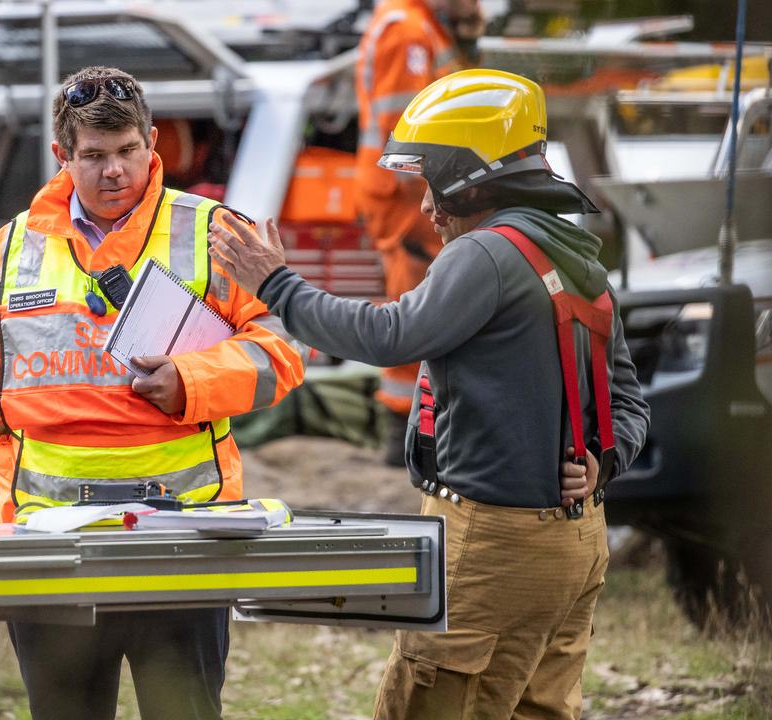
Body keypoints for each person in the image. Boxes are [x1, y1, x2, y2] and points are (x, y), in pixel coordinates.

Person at [209, 69, 650, 719]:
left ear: (472, 175)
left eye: (431, 181)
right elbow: (629, 401)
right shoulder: (575, 255)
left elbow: (390, 334)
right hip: (575, 545)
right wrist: (603, 463)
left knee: (427, 704)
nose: (424, 207)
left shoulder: (486, 256)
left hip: (493, 546)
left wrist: (277, 285)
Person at [0, 66, 304, 720]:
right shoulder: (8, 251)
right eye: (95, 156)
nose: (115, 172)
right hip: (49, 548)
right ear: (62, 156)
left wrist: (192, 380)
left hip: (186, 538)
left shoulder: (215, 232)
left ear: (153, 141)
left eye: (130, 151)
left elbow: (283, 350)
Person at [355, 0, 485, 465]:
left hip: (412, 190)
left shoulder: (421, 26)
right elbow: (407, 131)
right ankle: (402, 432)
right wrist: (434, 189)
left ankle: (413, 427)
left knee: (422, 299)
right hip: (407, 193)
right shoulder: (408, 31)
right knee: (415, 303)